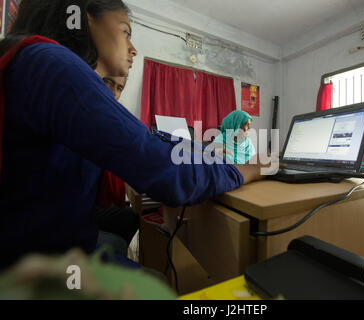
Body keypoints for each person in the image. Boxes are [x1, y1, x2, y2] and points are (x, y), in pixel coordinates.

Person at [0, 0, 269, 270]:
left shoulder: (34, 60)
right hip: (37, 268)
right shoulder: (54, 64)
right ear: (87, 19)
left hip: (37, 248)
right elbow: (167, 169)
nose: (133, 49)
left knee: (130, 222)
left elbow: (153, 148)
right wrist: (246, 170)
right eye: (125, 32)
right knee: (157, 282)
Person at [93, 75, 139, 255]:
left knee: (130, 215)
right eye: (108, 83)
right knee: (117, 242)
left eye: (119, 88)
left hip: (88, 203)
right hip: (68, 211)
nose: (113, 93)